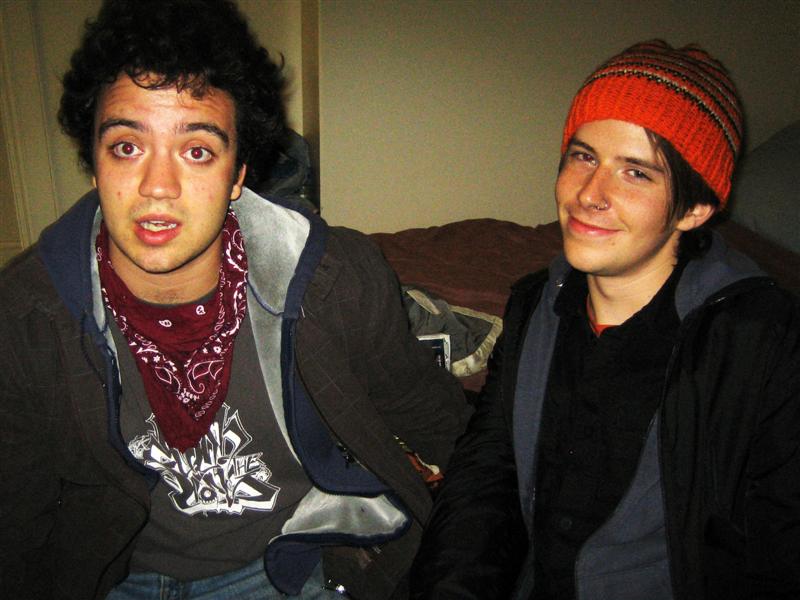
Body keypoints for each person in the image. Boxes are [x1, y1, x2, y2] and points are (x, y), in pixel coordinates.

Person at [0, 1, 468, 598]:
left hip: (287, 560)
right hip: (112, 575)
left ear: (238, 173)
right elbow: (16, 516)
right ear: (94, 164)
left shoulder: (334, 281)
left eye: (197, 150)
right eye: (126, 147)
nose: (158, 187)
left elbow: (435, 420)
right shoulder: (27, 316)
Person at [411, 40, 800, 599]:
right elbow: (487, 477)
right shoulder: (535, 306)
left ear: (695, 209)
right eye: (584, 156)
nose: (590, 194)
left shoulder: (765, 344)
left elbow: (777, 550)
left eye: (636, 173)